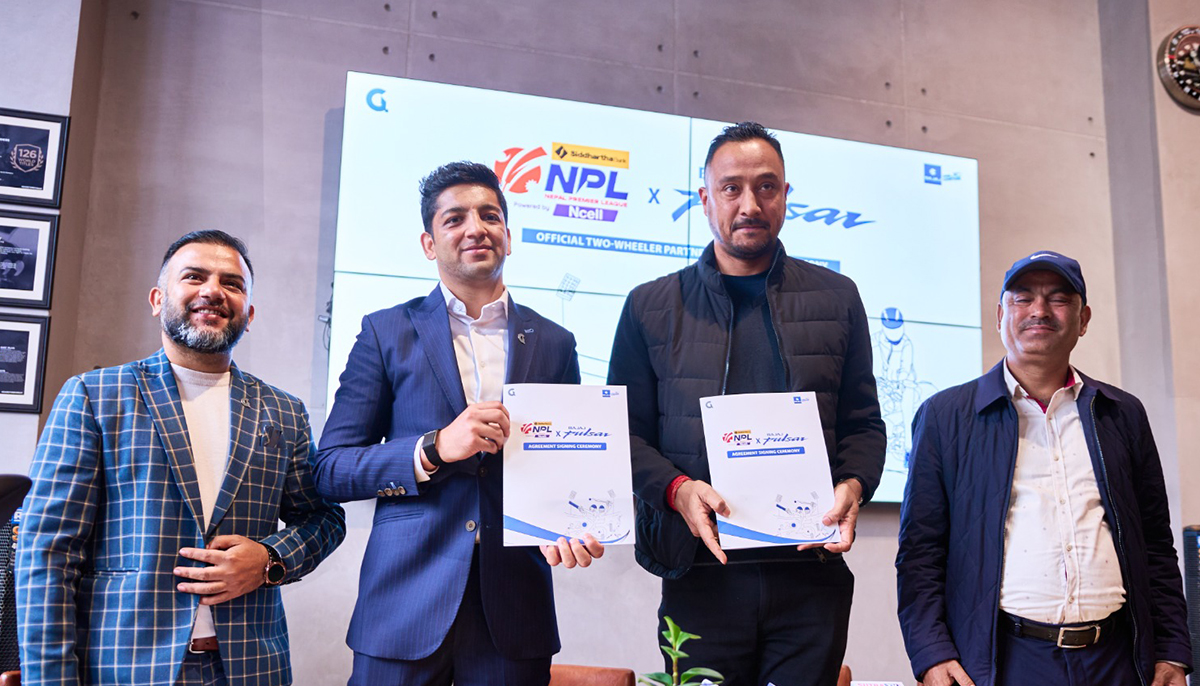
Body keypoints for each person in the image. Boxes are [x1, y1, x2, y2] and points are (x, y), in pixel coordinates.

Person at [607, 121, 886, 685]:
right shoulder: (650, 306)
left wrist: (854, 485)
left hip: (810, 573)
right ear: (705, 198)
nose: (750, 204)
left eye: (766, 187)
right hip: (700, 573)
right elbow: (623, 435)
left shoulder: (838, 298)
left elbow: (863, 425)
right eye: (731, 188)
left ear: (786, 195)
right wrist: (677, 490)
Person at [314, 161, 602, 686]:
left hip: (515, 609)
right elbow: (331, 468)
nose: (476, 228)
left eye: (490, 216)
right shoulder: (385, 332)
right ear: (429, 244)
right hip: (403, 604)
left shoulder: (556, 342)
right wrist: (434, 447)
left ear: (509, 236)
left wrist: (574, 526)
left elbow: (569, 469)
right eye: (455, 219)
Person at [16, 230, 346, 686]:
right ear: (158, 300)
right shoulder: (94, 396)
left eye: (232, 283)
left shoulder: (283, 411)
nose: (213, 290)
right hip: (123, 669)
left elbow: (324, 518)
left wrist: (270, 558)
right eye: (194, 277)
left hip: (251, 669)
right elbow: (48, 553)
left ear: (249, 314)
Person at [896, 250, 1192, 686]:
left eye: (1058, 298)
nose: (1039, 310)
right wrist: (932, 653)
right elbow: (920, 552)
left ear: (1083, 319)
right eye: (1022, 298)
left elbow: (1156, 546)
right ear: (1001, 316)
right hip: (1007, 661)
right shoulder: (946, 416)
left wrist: (1171, 650)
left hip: (1118, 659)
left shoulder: (1122, 414)